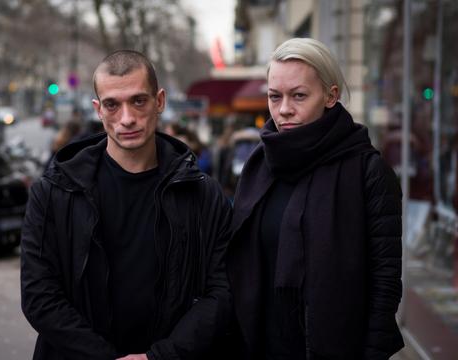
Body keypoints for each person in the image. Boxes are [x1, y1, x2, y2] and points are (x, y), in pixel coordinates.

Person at [20, 50, 233, 360]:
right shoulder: (53, 193)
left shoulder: (202, 194)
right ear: (98, 109)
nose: (127, 118)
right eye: (112, 105)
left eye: (138, 101)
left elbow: (222, 292)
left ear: (159, 101)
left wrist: (161, 356)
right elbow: (39, 296)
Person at [226, 38, 404, 359]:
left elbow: (385, 282)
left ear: (331, 96)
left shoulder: (367, 170)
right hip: (259, 347)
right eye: (274, 96)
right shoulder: (258, 165)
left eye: (299, 96)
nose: (284, 110)